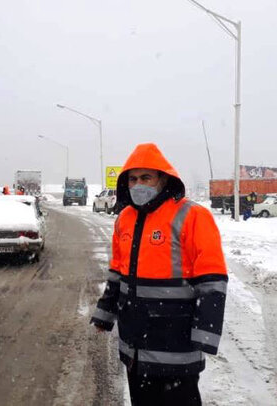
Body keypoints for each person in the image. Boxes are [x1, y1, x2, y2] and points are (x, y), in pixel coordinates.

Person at [90, 143, 228, 406]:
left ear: (163, 179)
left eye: (146, 177)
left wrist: (205, 333)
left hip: (176, 345)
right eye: (132, 179)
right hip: (134, 348)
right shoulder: (124, 219)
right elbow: (118, 273)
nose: (138, 184)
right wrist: (105, 313)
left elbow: (212, 280)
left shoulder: (193, 215)